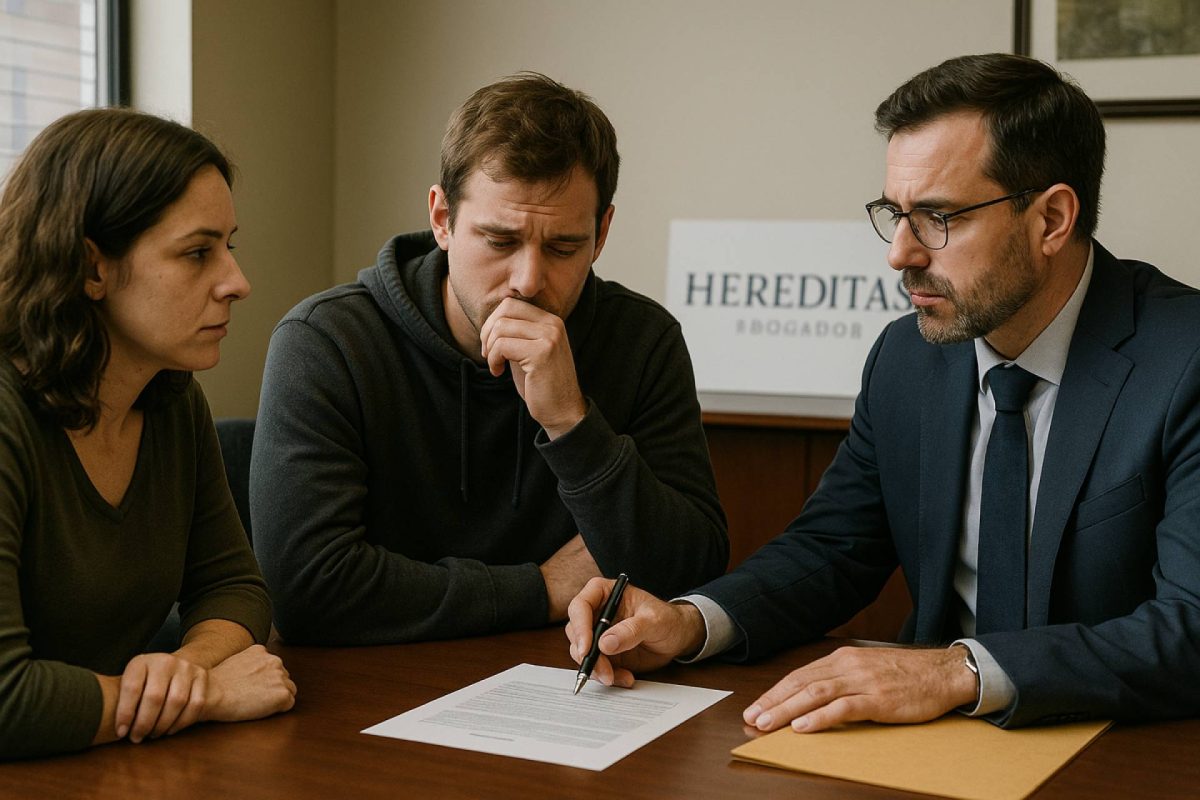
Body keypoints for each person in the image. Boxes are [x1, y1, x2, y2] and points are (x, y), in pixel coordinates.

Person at [566, 53, 1200, 731]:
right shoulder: (907, 356)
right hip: (929, 741)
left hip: (1116, 746)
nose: (900, 253)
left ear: (1051, 220)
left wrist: (955, 671)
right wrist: (689, 622)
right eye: (894, 214)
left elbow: (1189, 627)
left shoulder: (1184, 361)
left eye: (938, 217)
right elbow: (831, 550)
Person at [251, 73, 727, 645]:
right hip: (375, 682)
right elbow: (305, 592)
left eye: (563, 247)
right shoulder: (327, 342)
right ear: (442, 219)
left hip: (575, 677)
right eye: (500, 242)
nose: (528, 280)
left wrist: (571, 423)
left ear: (601, 234)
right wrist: (542, 588)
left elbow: (692, 575)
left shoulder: (643, 340)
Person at [0, 109, 296, 760]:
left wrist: (184, 671)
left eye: (229, 246)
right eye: (197, 252)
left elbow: (233, 587)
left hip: (96, 762)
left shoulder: (170, 397)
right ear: (92, 268)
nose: (237, 282)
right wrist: (207, 697)